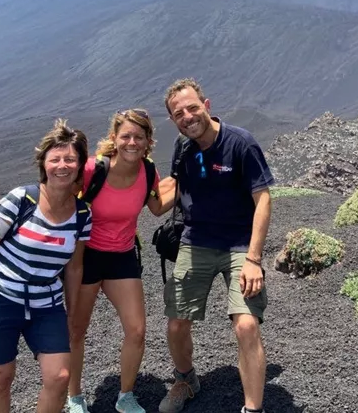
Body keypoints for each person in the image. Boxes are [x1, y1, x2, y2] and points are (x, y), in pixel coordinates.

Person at [0, 119, 92, 413]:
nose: (62, 165)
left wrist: (73, 312)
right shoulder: (21, 199)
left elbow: (74, 269)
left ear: (80, 165)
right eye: (55, 159)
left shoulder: (82, 214)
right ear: (44, 163)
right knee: (1, 378)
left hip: (46, 304)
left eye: (70, 159)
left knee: (59, 376)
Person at [157, 78, 274, 413]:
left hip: (240, 245)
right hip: (196, 241)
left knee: (246, 324)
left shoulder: (241, 143)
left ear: (206, 106)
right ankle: (185, 380)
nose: (188, 116)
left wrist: (253, 258)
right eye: (179, 113)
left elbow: (263, 198)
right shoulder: (183, 148)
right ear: (173, 120)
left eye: (193, 108)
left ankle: (253, 408)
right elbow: (172, 191)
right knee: (177, 322)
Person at [66, 108, 175, 413]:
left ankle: (125, 396)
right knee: (76, 330)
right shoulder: (92, 170)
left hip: (122, 256)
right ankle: (74, 397)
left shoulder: (148, 171)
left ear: (148, 141)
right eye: (125, 136)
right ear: (114, 138)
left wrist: (187, 180)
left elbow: (155, 207)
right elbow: (64, 199)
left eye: (138, 137)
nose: (132, 142)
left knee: (137, 330)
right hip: (85, 258)